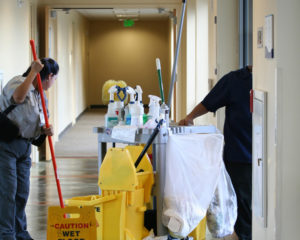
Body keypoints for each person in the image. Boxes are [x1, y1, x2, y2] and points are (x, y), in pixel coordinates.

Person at [179, 66, 252, 240]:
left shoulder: (269, 80)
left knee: (254, 209)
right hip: (240, 156)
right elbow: (209, 102)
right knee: (244, 210)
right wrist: (189, 118)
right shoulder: (235, 80)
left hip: (262, 158)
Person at [0, 58, 59, 240]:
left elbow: (40, 121)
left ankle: (20, 231)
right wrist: (33, 72)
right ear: (49, 76)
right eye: (54, 78)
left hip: (25, 148)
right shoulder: (18, 82)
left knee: (22, 192)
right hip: (6, 145)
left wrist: (45, 129)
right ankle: (6, 234)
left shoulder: (42, 97)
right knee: (7, 192)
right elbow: (17, 98)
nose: (53, 82)